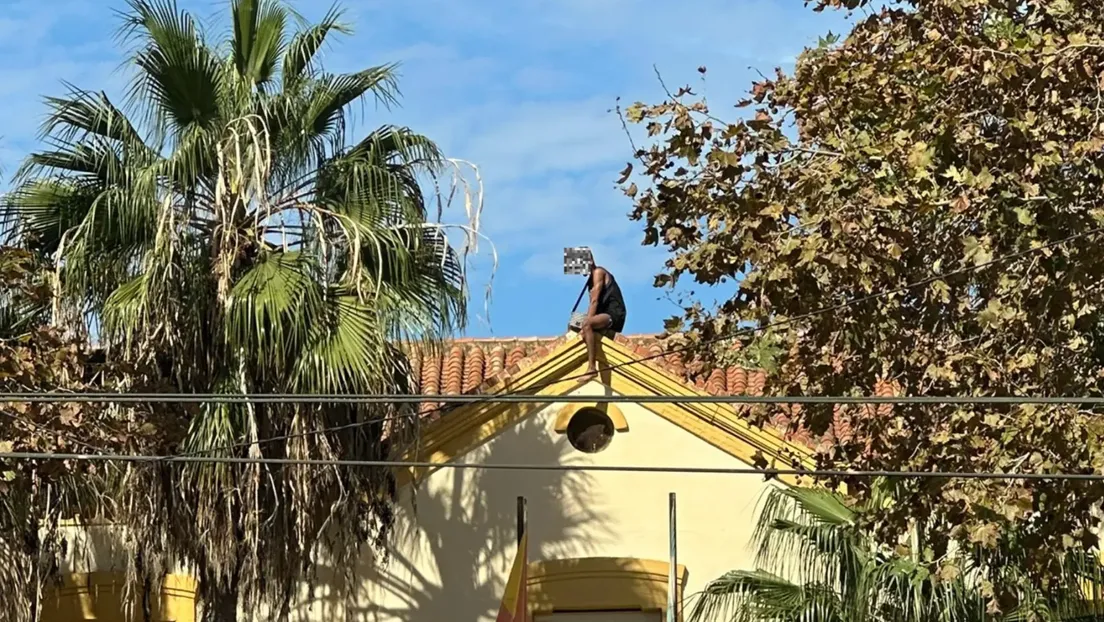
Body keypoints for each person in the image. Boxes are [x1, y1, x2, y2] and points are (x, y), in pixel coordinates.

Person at [579, 264, 627, 381]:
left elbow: (594, 302)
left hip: (613, 313)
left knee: (586, 324)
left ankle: (591, 368)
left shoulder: (598, 273)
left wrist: (586, 324)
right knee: (574, 322)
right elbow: (592, 304)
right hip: (602, 314)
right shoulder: (590, 281)